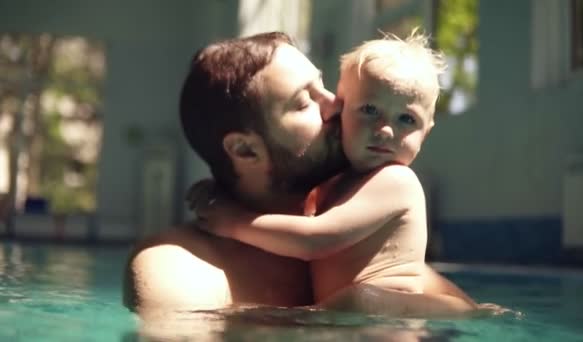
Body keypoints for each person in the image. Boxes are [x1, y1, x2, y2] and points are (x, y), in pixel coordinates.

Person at [123, 32, 482, 319]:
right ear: (246, 151)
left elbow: (476, 318)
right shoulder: (177, 270)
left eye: (323, 85)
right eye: (303, 101)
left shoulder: (358, 223)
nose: (336, 105)